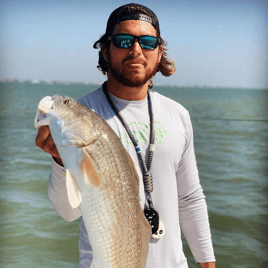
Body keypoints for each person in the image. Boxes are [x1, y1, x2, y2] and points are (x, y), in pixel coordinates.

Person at [36, 3, 216, 268]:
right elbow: (67, 211)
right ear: (106, 51)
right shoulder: (83, 114)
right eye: (122, 40)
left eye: (147, 41)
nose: (135, 50)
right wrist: (60, 160)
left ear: (159, 52)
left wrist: (208, 263)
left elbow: (189, 198)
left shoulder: (178, 114)